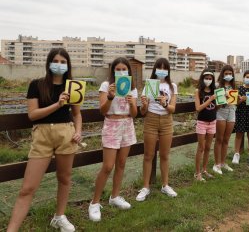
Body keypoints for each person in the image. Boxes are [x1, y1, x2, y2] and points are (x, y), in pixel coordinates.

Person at [7, 48, 82, 232]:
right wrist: (58, 104)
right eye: (56, 61)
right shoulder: (37, 85)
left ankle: (59, 216)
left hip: (66, 134)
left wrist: (78, 131)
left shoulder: (73, 87)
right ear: (49, 63)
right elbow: (33, 115)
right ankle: (12, 229)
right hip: (42, 135)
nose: (59, 64)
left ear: (68, 65)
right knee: (27, 188)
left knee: (64, 178)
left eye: (63, 62)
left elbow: (77, 114)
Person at [88, 57, 138, 222]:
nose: (121, 72)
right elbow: (102, 111)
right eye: (118, 69)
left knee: (122, 163)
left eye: (124, 69)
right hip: (111, 124)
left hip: (127, 125)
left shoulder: (132, 87)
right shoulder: (105, 86)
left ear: (129, 71)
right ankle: (94, 202)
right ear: (113, 71)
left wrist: (131, 103)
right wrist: (110, 97)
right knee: (108, 166)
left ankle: (115, 196)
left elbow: (135, 114)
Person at [136, 58, 178, 201]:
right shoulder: (149, 84)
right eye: (159, 68)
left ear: (168, 70)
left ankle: (165, 185)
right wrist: (144, 104)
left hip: (167, 121)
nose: (162, 70)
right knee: (148, 155)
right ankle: (145, 187)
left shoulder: (172, 86)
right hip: (151, 120)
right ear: (154, 69)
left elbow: (172, 109)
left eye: (164, 68)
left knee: (165, 155)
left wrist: (165, 103)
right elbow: (142, 111)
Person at [212, 65, 236, 175]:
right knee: (219, 139)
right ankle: (216, 164)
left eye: (230, 74)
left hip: (232, 112)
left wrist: (239, 99)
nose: (228, 76)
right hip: (221, 112)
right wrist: (223, 98)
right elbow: (216, 104)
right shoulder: (217, 86)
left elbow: (235, 102)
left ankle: (223, 162)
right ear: (222, 74)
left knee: (226, 140)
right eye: (226, 74)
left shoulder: (234, 86)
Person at [194, 69, 217, 181]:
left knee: (208, 147)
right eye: (206, 78)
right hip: (202, 122)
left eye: (210, 78)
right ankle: (197, 173)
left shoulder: (215, 91)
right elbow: (198, 108)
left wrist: (223, 100)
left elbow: (218, 107)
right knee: (201, 148)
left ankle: (204, 170)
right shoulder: (198, 91)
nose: (208, 80)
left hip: (212, 122)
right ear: (202, 78)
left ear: (213, 80)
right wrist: (210, 100)